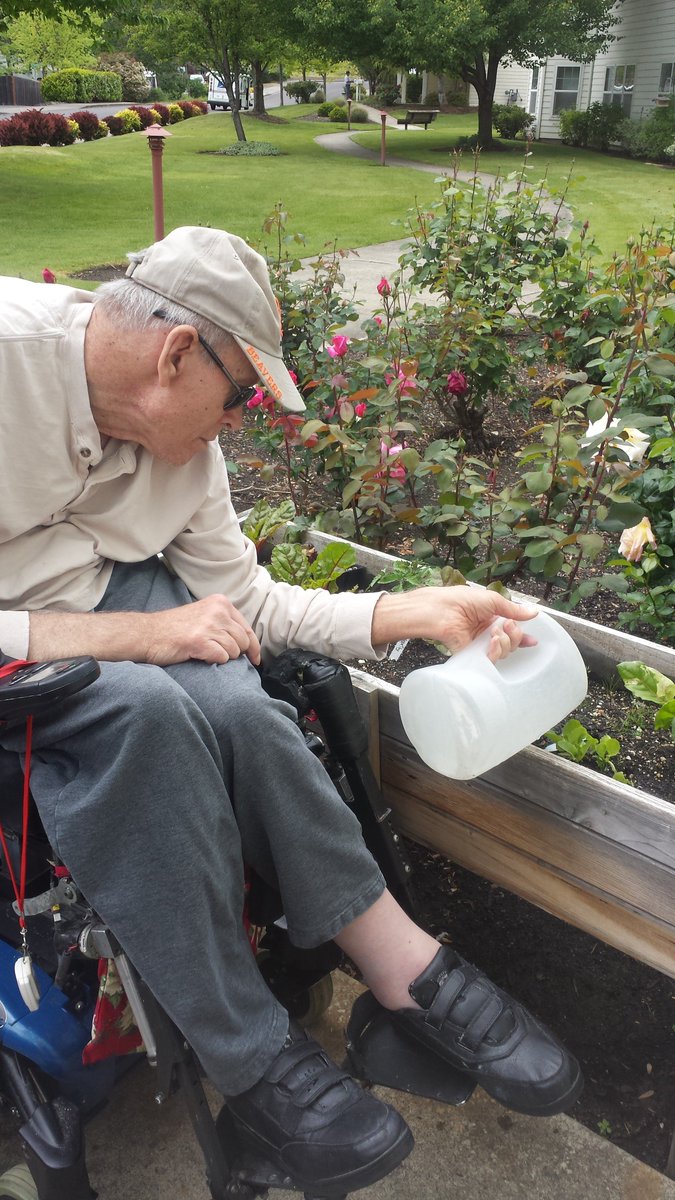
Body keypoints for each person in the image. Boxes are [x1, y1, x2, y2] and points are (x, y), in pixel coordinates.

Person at [0, 227, 582, 1197]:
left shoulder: (181, 453)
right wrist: (131, 641)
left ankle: (401, 963)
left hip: (99, 598)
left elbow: (259, 606)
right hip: (27, 646)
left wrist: (417, 609)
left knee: (243, 696)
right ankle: (252, 1059)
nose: (237, 424)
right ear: (176, 354)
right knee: (144, 712)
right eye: (237, 398)